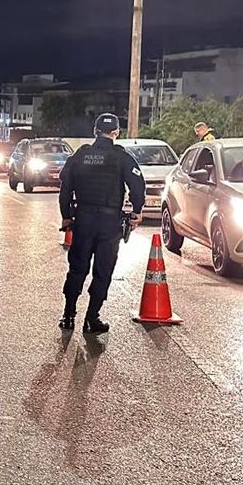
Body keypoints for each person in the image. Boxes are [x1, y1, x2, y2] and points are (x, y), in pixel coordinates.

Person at [58, 113, 146, 334]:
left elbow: (65, 188)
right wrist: (136, 211)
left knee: (77, 269)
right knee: (103, 271)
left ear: (95, 131)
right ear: (116, 132)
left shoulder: (81, 155)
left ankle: (68, 315)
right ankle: (91, 318)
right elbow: (137, 186)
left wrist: (66, 215)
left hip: (84, 220)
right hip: (109, 224)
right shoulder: (120, 157)